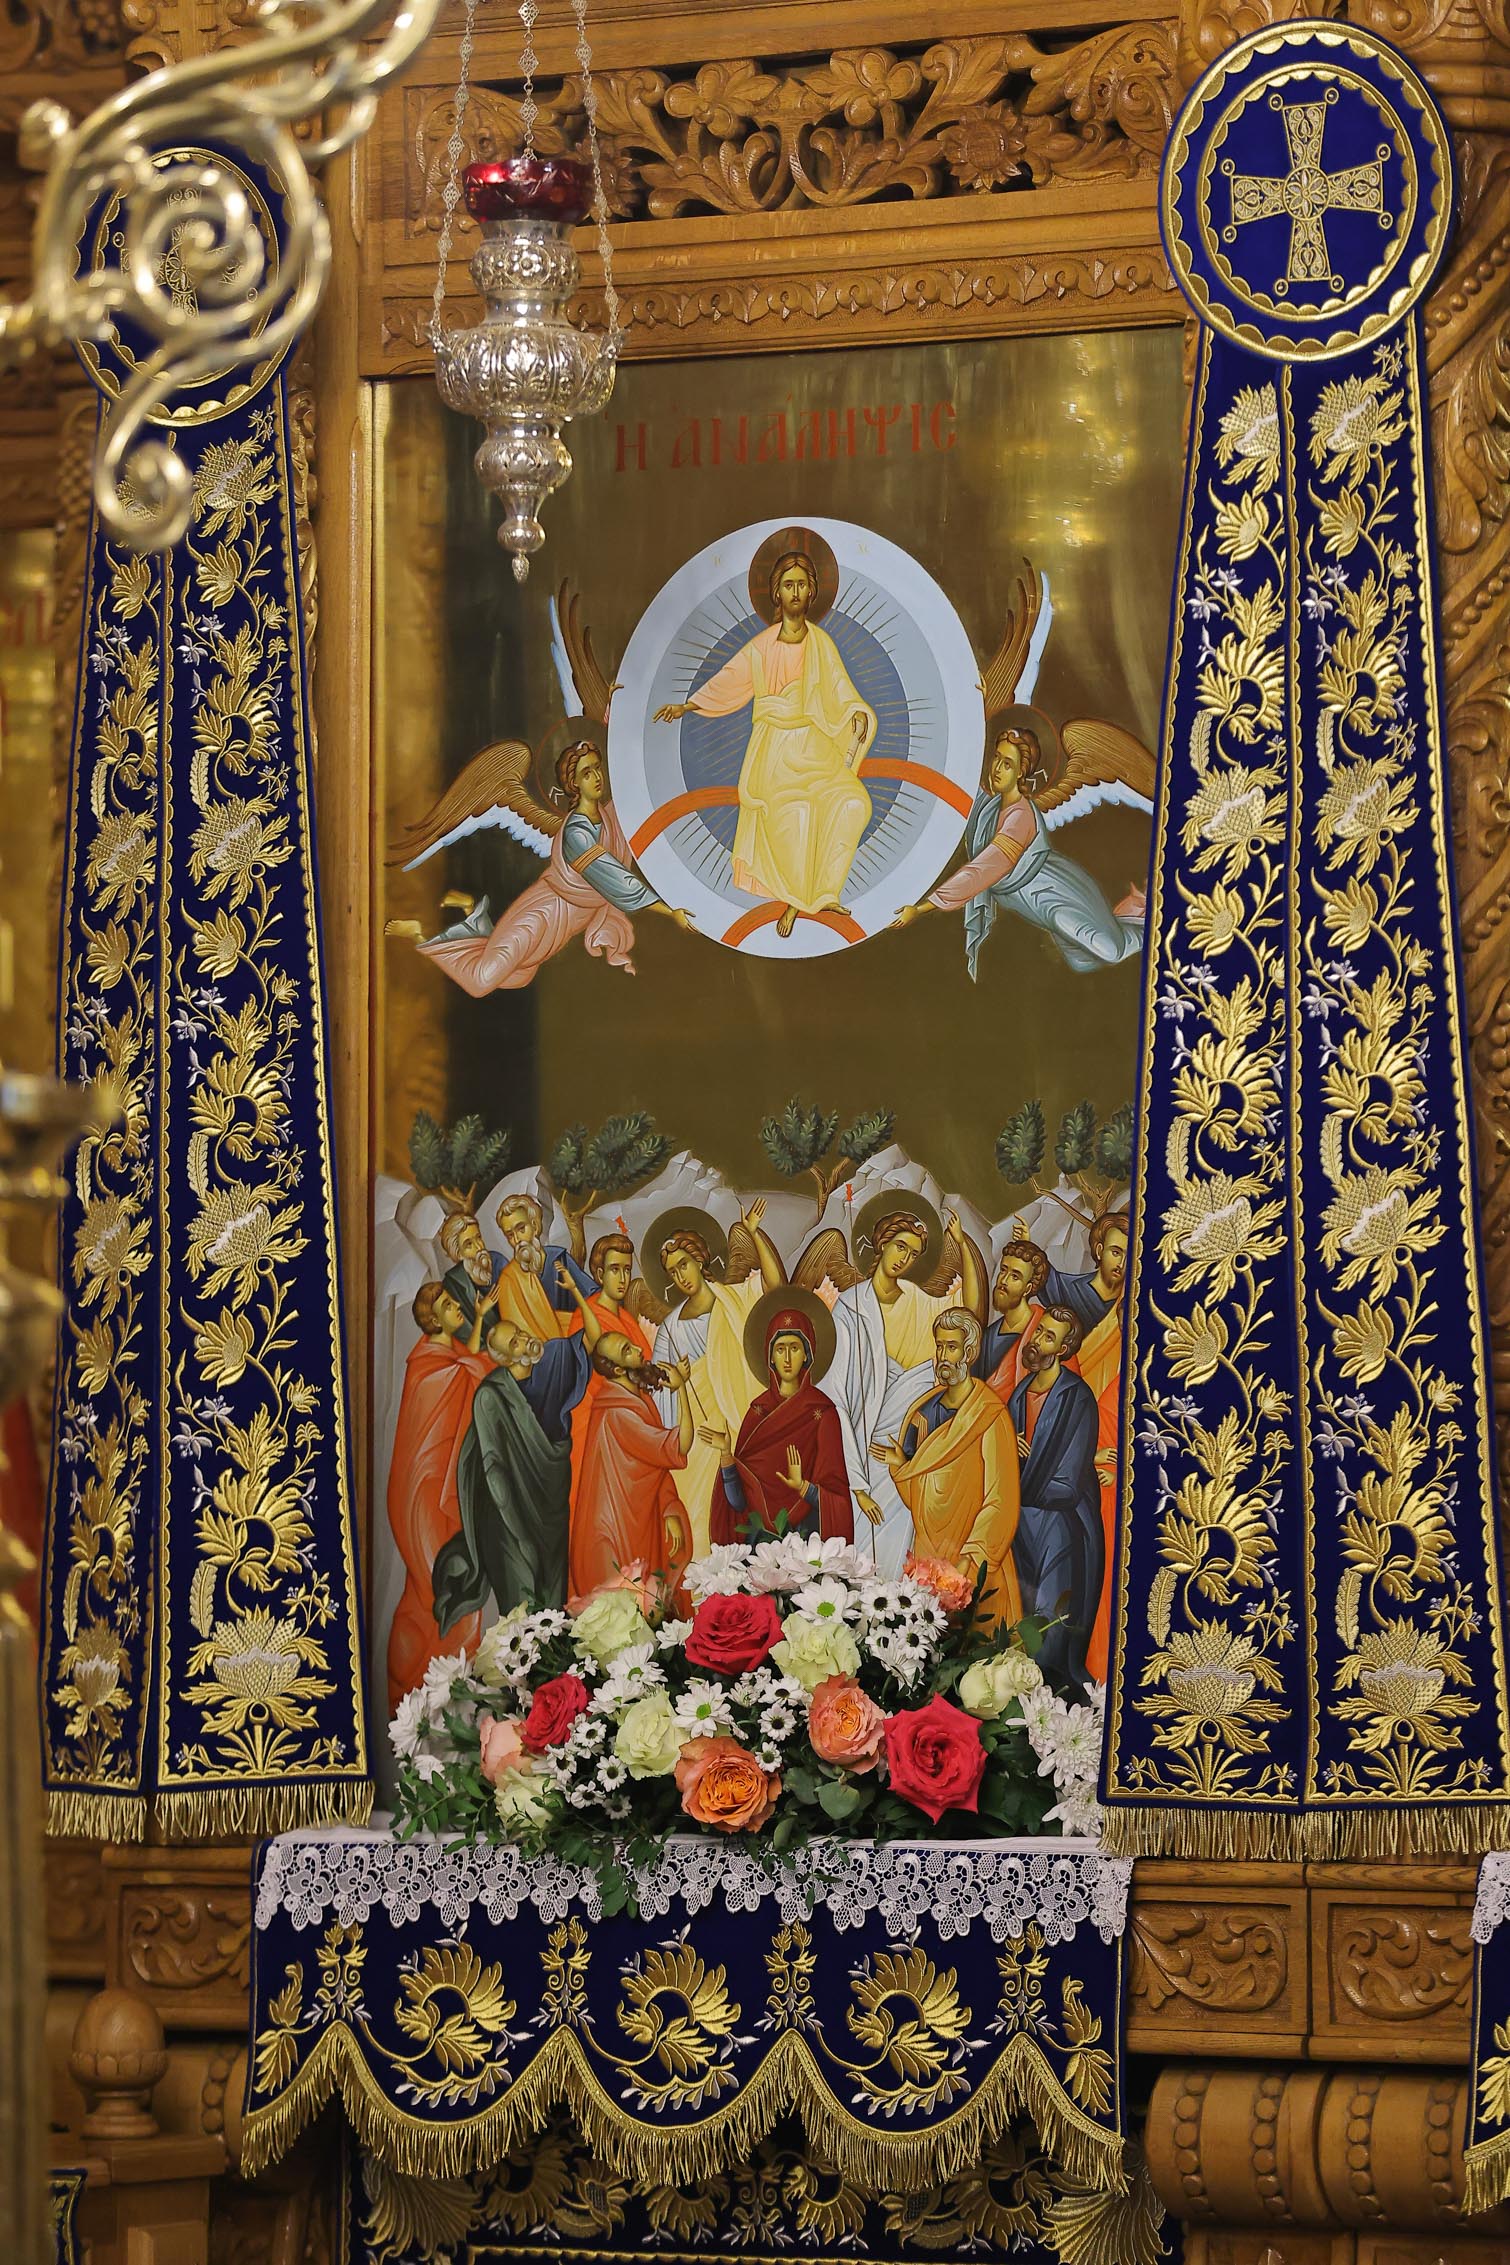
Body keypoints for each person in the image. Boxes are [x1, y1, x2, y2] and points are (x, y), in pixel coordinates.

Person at [655, 551, 875, 938]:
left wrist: (855, 714)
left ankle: (823, 893)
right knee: (796, 815)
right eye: (788, 585)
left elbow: (842, 692)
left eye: (802, 585)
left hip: (816, 750)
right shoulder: (762, 647)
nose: (795, 592)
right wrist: (687, 706)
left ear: (812, 592)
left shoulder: (822, 645)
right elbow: (728, 681)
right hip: (775, 755)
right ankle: (795, 902)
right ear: (777, 593)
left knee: (854, 803)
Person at [413, 740, 692, 994]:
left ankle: (473, 911)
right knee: (481, 983)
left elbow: (639, 798)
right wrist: (669, 911)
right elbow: (615, 879)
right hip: (542, 915)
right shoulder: (576, 834)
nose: (597, 777)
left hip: (562, 927)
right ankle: (418, 934)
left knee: (518, 974)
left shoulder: (610, 816)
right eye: (586, 773)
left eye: (597, 768)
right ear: (574, 784)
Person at [893, 722, 1143, 974]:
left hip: (1055, 893)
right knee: (1081, 962)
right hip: (1034, 906)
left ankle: (1151, 923)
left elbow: (982, 870)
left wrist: (922, 908)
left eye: (1007, 764)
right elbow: (957, 780)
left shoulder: (1020, 818)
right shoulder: (988, 807)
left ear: (1021, 773)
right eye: (996, 758)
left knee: (1109, 950)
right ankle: (1130, 916)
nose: (997, 769)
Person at [828, 1205, 984, 1576]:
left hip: (907, 1454)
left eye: (913, 1254)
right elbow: (836, 1398)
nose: (904, 1259)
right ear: (881, 1244)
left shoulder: (920, 1303)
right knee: (860, 1555)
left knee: (896, 1555)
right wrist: (857, 1483)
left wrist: (962, 1246)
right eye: (900, 1247)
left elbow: (971, 1315)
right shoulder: (850, 1308)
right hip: (862, 1451)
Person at [385, 1278, 497, 1709]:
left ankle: (456, 1691)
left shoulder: (448, 1357)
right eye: (448, 1305)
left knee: (460, 1586)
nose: (456, 1308)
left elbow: (469, 1361)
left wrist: (481, 1319)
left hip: (450, 1497)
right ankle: (415, 1689)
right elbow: (471, 1371)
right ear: (433, 1319)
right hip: (425, 1500)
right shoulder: (428, 1368)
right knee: (440, 1590)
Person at [651, 1201, 785, 1560]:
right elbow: (659, 1390)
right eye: (672, 1272)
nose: (680, 1277)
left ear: (699, 1260)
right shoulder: (670, 1328)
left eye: (683, 1264)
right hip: (698, 1438)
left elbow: (775, 1286)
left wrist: (754, 1233)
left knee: (748, 1513)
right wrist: (675, 1383)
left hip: (740, 1422)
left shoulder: (733, 1298)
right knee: (699, 1516)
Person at [873, 1309, 1022, 1629]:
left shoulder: (989, 1415)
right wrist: (901, 1469)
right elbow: (919, 1500)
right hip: (928, 1556)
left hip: (972, 1560)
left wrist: (970, 1561)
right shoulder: (923, 1412)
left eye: (951, 1347)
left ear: (969, 1352)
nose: (942, 1356)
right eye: (939, 1346)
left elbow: (1001, 1501)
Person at [434, 1319, 570, 1625]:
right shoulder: (490, 1396)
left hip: (548, 1511)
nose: (524, 1340)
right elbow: (494, 1467)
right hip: (507, 1515)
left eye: (520, 1333)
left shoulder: (549, 1377)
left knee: (553, 1607)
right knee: (522, 1606)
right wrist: (516, 1527)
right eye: (514, 1343)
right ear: (506, 1359)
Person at [1042, 1213, 1128, 1683]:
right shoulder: (1088, 1334)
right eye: (1114, 1251)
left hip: (1113, 1489)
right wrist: (1085, 1458)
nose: (1121, 1264)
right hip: (1084, 1479)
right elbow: (1068, 1410)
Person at [1007, 1305, 1103, 1690]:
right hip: (1021, 1523)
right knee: (1020, 1616)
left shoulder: (1077, 1398)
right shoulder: (1019, 1396)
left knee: (1049, 1624)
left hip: (1059, 1524)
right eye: (1039, 1331)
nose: (1037, 1341)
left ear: (1063, 1349)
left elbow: (1069, 1481)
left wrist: (1026, 1470)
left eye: (1049, 1337)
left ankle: (1045, 1700)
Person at [704, 1307, 853, 1544]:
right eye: (780, 1349)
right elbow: (739, 1504)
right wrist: (726, 1456)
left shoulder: (823, 1413)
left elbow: (838, 1500)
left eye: (794, 1348)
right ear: (770, 1356)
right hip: (758, 1546)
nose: (787, 1358)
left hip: (806, 1543)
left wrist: (803, 1487)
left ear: (807, 1355)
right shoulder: (758, 1412)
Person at [570, 1333, 694, 1596]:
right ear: (618, 1370)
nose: (638, 1349)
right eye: (627, 1350)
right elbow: (679, 1445)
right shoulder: (619, 1413)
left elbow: (650, 1466)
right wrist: (682, 1389)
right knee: (633, 1602)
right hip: (618, 1530)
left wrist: (668, 1507)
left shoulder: (632, 1398)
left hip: (636, 1518)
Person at [488, 1192, 598, 1440]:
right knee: (556, 1349)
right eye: (510, 1235)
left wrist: (572, 1324)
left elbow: (593, 1298)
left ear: (535, 1226)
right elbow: (517, 1339)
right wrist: (564, 1326)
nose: (517, 1239)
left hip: (579, 1350)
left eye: (521, 1229)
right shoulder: (508, 1279)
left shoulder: (558, 1259)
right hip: (538, 1363)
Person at [979, 1238, 1057, 1403]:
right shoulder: (988, 1336)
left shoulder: (1048, 1332)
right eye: (1003, 1271)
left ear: (1028, 1288)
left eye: (1015, 1276)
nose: (1003, 1280)